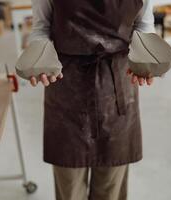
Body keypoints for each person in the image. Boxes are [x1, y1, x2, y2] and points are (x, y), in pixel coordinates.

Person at [27, 0, 156, 200]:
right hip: (67, 88)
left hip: (117, 90)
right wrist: (40, 56)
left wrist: (146, 57)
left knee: (110, 187)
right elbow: (41, 28)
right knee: (70, 187)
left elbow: (143, 26)